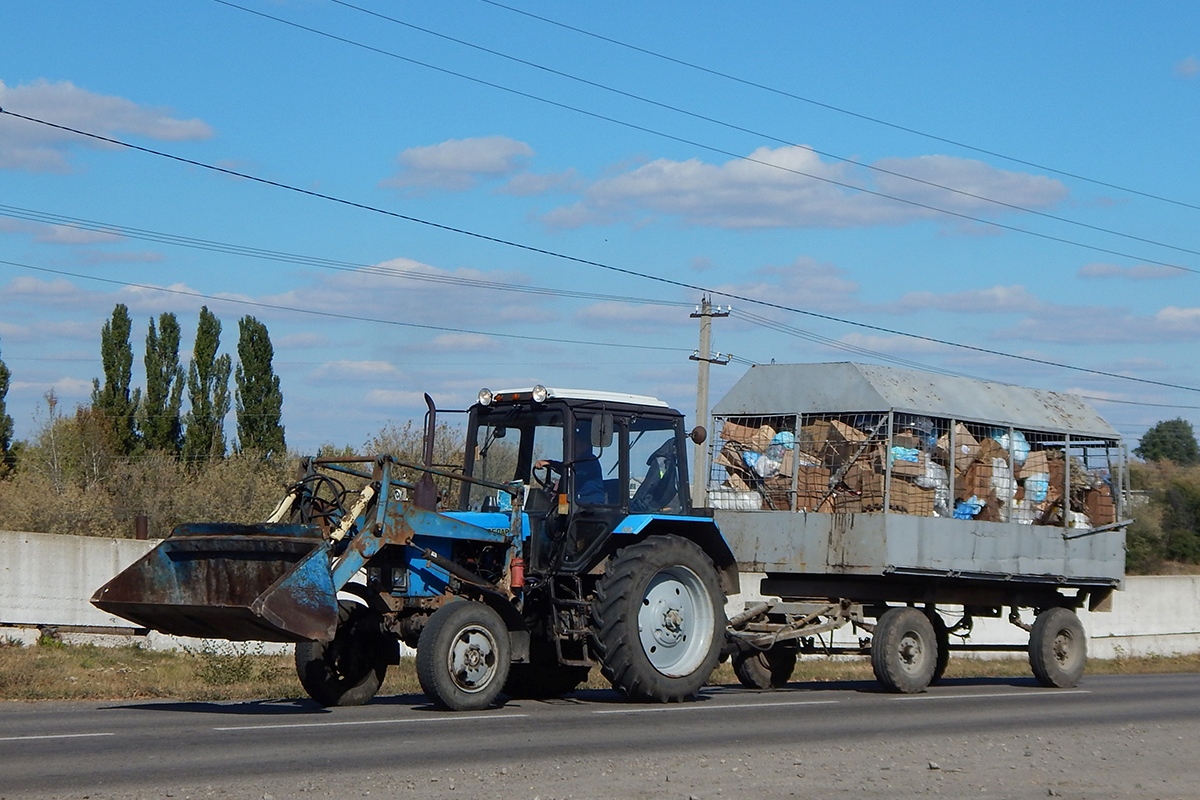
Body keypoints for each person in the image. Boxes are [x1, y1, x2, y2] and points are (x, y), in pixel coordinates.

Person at [535, 424, 607, 504]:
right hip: (577, 501)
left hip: (591, 504)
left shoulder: (590, 461)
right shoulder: (576, 461)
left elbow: (570, 470)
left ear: (584, 445)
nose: (573, 447)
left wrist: (549, 463)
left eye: (575, 443)